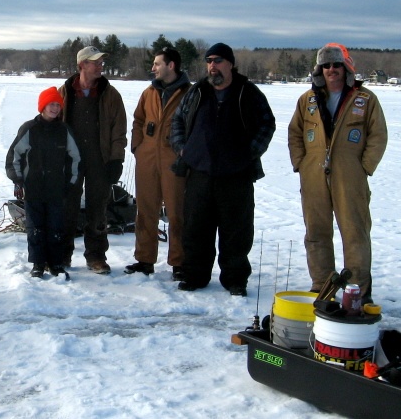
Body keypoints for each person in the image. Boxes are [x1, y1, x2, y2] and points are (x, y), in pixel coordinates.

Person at [170, 43, 275, 296]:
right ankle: (195, 275)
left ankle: (235, 279)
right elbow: (177, 120)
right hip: (199, 173)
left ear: (230, 64)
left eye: (217, 60)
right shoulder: (197, 92)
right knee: (196, 229)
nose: (212, 66)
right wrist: (182, 148)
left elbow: (266, 124)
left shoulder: (247, 93)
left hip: (235, 176)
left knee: (236, 231)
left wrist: (249, 153)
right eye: (209, 61)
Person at [288, 43, 387, 301]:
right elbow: (295, 133)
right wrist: (301, 163)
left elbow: (378, 135)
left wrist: (364, 166)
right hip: (314, 176)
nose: (332, 70)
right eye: (326, 65)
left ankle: (357, 290)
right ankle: (322, 286)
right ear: (320, 69)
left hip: (350, 176)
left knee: (355, 232)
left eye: (336, 65)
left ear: (346, 68)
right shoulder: (307, 100)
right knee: (317, 233)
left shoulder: (364, 100)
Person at [58, 46, 128, 274]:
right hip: (71, 161)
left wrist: (116, 160)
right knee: (67, 208)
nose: (100, 66)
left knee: (98, 209)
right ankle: (62, 255)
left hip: (100, 160)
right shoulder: (64, 92)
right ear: (82, 65)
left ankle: (96, 257)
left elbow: (119, 131)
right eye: (95, 62)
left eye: (101, 62)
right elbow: (49, 127)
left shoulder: (110, 94)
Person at [125, 47, 191, 280]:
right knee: (145, 211)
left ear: (171, 66)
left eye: (157, 64)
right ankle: (144, 259)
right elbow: (138, 120)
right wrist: (138, 147)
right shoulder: (148, 92)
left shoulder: (189, 94)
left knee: (177, 213)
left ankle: (179, 263)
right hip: (148, 159)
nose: (153, 68)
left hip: (175, 160)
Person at [6, 87, 81, 278]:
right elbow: (14, 156)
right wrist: (18, 180)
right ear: (43, 106)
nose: (55, 108)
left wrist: (71, 183)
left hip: (57, 189)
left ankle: (56, 263)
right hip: (34, 188)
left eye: (58, 105)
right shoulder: (29, 129)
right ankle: (38, 263)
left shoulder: (64, 131)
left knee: (56, 227)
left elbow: (75, 158)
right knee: (35, 227)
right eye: (51, 104)